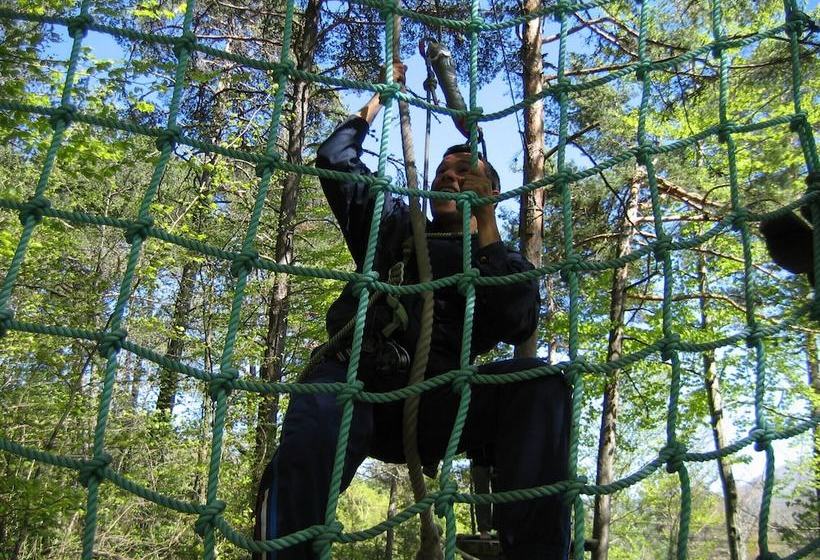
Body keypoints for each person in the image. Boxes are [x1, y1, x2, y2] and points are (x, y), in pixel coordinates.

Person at [254, 62, 571, 560]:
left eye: (464, 173)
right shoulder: (397, 228)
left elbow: (518, 321)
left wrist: (486, 228)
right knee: (321, 408)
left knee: (541, 382)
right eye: (443, 173)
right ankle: (285, 551)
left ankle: (536, 552)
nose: (449, 178)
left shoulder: (498, 259)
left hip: (439, 406)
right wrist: (379, 98)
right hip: (359, 388)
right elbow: (335, 158)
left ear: (490, 192)